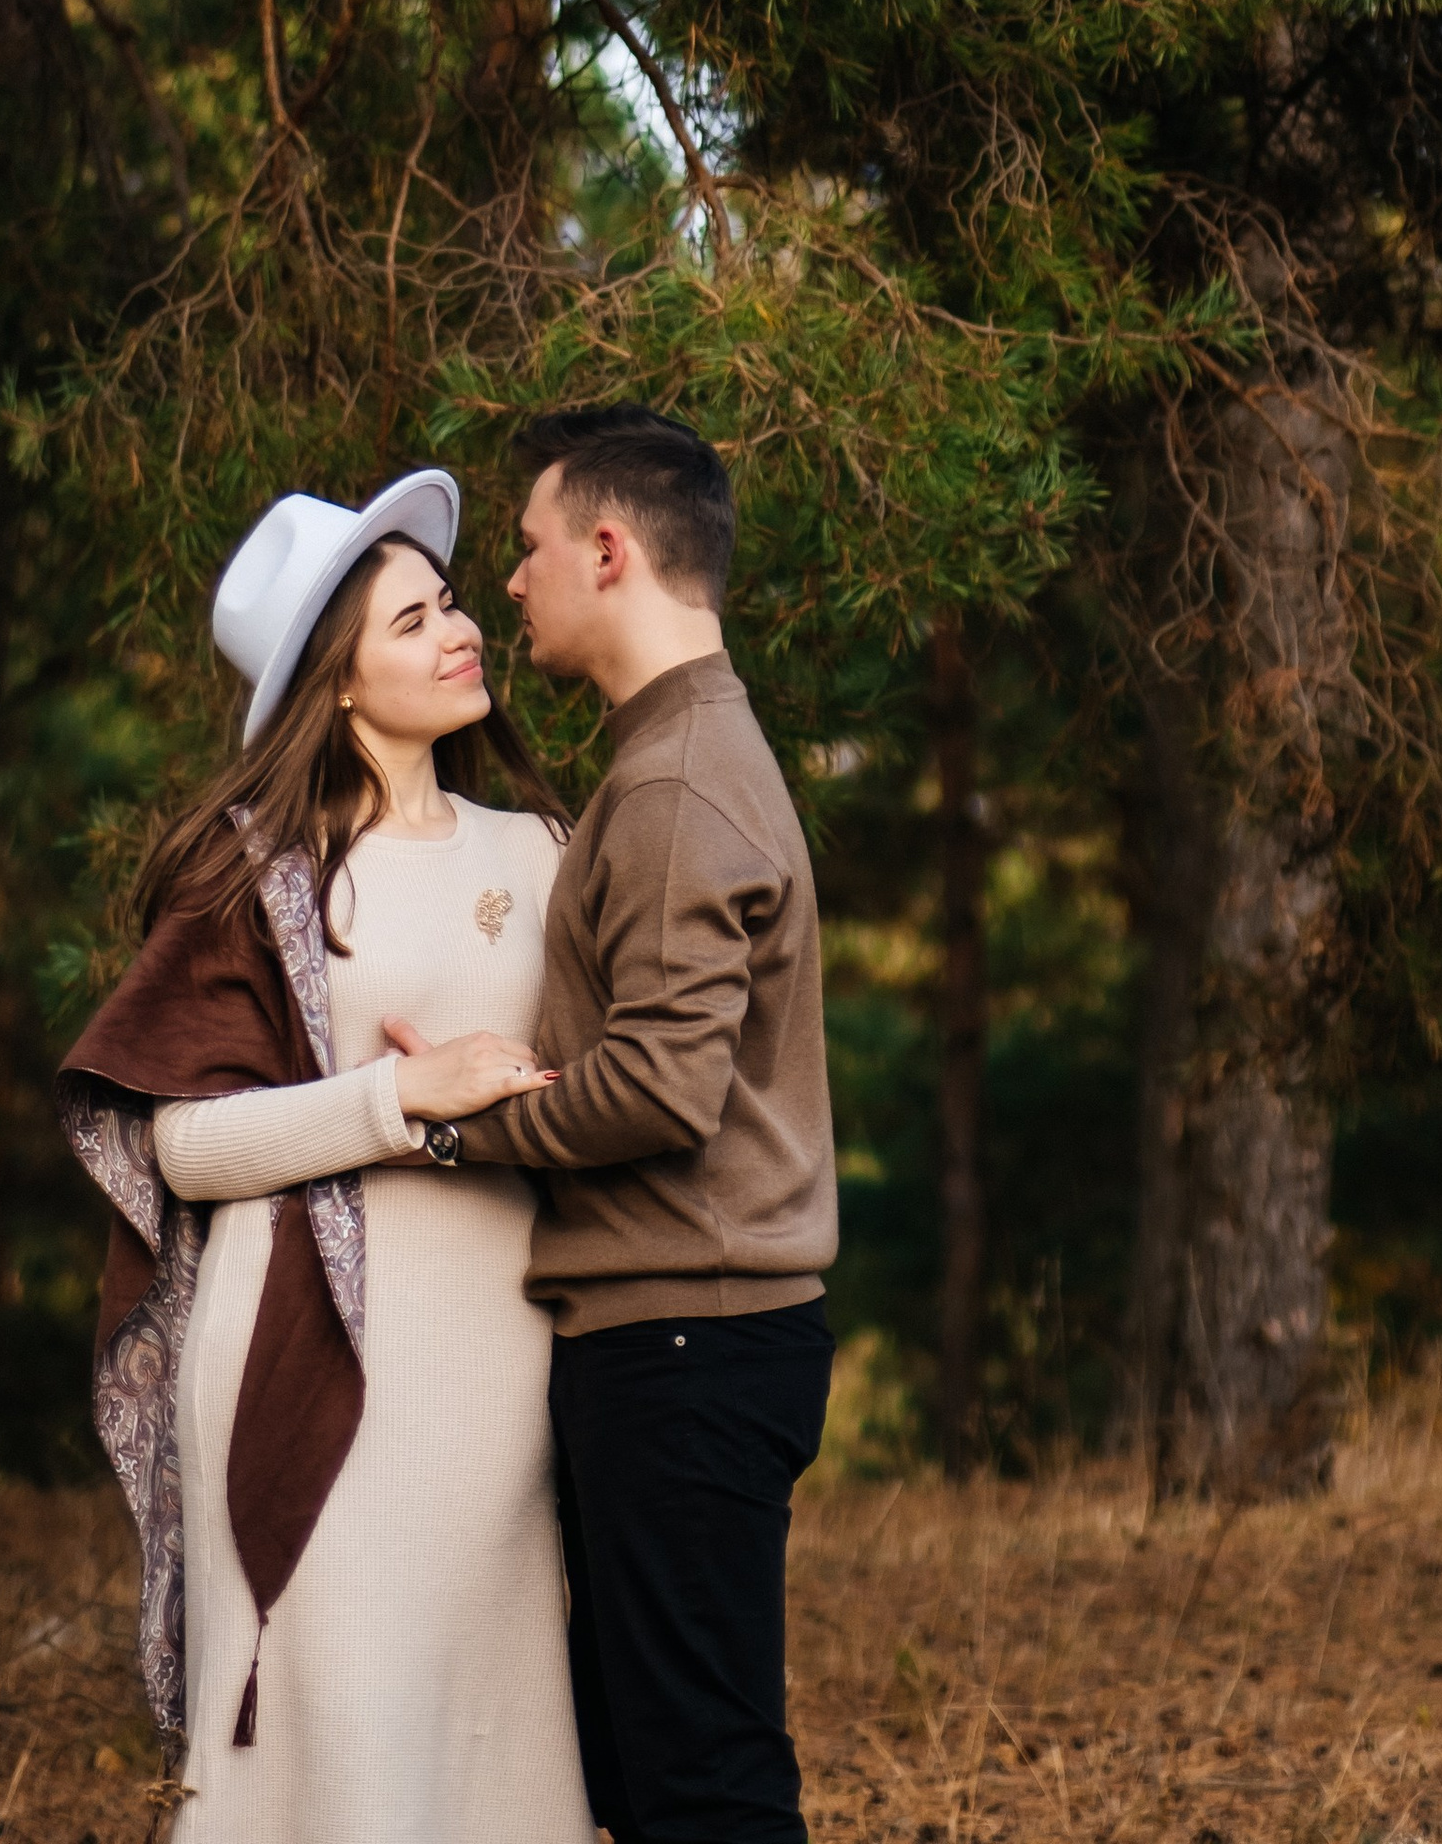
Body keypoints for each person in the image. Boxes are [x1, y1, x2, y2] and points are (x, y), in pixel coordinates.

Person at [57, 468, 595, 1844]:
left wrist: (499, 1103)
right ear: (339, 685)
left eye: (455, 601)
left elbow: (607, 1083)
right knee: (341, 1745)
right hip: (313, 1371)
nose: (461, 629)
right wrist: (398, 1094)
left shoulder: (542, 849)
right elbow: (182, 1144)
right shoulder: (261, 873)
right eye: (414, 621)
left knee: (491, 1745)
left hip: (508, 1370)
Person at [386, 405, 839, 1844]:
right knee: (648, 1781)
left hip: (687, 1344)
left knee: (703, 1787)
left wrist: (457, 1117)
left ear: (608, 546)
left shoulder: (678, 781)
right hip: (679, 1338)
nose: (504, 583)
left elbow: (658, 1084)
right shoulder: (673, 754)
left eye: (523, 549)